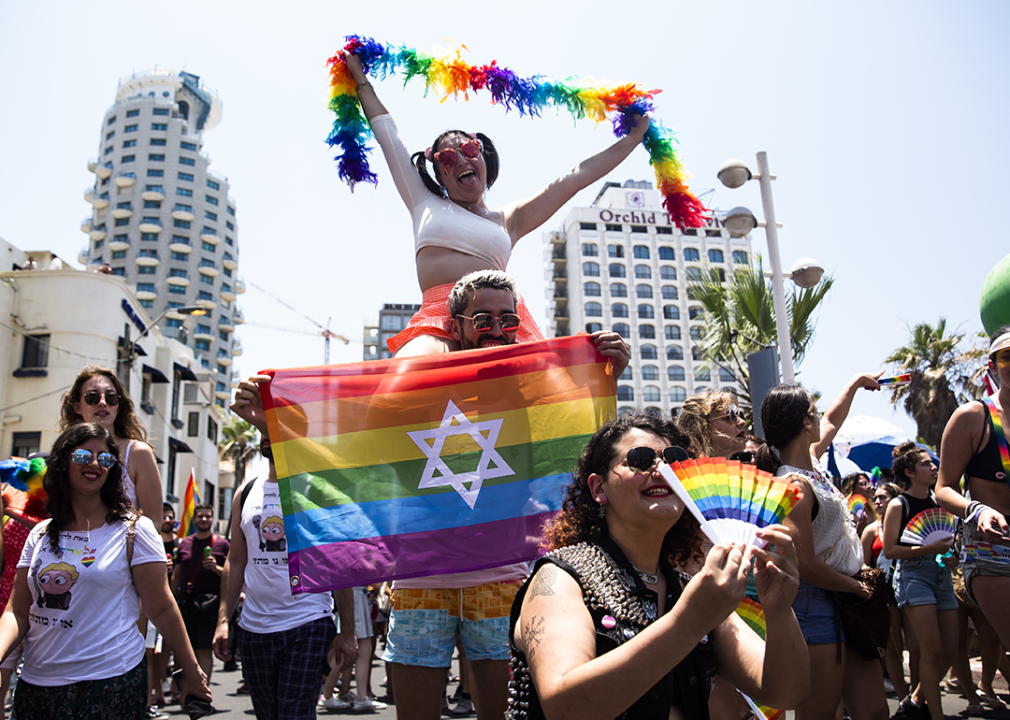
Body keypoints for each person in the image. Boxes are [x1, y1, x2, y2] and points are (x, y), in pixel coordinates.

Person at [231, 270, 630, 720]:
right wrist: (272, 425)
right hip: (421, 583)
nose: (497, 331)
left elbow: (581, 456)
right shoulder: (407, 395)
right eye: (483, 320)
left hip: (502, 579)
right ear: (454, 326)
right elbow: (347, 460)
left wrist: (606, 377)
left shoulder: (534, 391)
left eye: (508, 320)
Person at [342, 51, 652, 358]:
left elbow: (576, 177)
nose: (461, 158)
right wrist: (359, 78)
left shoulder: (510, 219)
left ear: (483, 154)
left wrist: (633, 139)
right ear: (440, 175)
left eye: (468, 148)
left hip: (501, 323)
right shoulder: (422, 202)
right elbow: (387, 133)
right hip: (438, 321)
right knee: (408, 372)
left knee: (543, 390)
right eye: (448, 158)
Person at [507, 411, 809, 719]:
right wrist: (687, 623)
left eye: (675, 460)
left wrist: (780, 613)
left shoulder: (689, 589)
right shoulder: (560, 579)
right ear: (599, 488)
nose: (662, 470)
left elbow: (785, 692)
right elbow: (565, 708)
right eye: (640, 459)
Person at [0, 423, 210, 719]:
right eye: (85, 456)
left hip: (110, 685)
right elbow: (17, 612)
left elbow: (160, 607)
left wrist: (191, 670)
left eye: (106, 459)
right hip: (37, 687)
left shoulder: (135, 530)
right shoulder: (40, 535)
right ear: (63, 461)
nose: (96, 464)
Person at [755, 375, 889, 720]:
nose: (820, 419)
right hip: (817, 605)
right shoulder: (792, 484)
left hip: (847, 600)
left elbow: (832, 419)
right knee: (819, 713)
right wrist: (856, 587)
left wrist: (856, 384)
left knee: (874, 711)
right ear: (804, 423)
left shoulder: (811, 463)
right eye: (813, 413)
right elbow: (805, 563)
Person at [212, 436, 358, 720]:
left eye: (277, 423)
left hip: (307, 622)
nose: (269, 434)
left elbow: (338, 560)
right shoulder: (245, 492)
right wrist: (223, 621)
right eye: (264, 428)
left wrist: (348, 631)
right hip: (254, 629)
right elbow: (237, 559)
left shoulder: (320, 490)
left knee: (295, 715)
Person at [935, 324, 1010, 650]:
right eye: (1007, 357)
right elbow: (943, 487)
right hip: (993, 551)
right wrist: (977, 509)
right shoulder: (973, 417)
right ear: (992, 367)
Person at [881, 443, 958, 720]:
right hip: (913, 575)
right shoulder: (898, 504)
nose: (933, 467)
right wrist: (929, 550)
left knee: (950, 651)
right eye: (926, 464)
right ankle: (935, 715)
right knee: (932, 651)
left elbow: (947, 543)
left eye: (932, 463)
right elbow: (890, 551)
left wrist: (950, 557)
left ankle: (913, 702)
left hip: (940, 574)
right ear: (910, 472)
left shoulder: (940, 502)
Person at [60, 365, 163, 526]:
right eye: (92, 397)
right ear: (77, 407)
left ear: (118, 406)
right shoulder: (65, 452)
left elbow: (154, 522)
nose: (102, 403)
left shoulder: (137, 452)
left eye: (111, 398)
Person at [172, 503, 229, 683]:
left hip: (210, 606)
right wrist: (172, 600)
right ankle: (183, 691)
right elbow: (177, 574)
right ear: (194, 519)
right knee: (183, 650)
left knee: (204, 650)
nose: (204, 519)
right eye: (200, 516)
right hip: (186, 605)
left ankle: (203, 693)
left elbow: (231, 575)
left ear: (212, 519)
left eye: (207, 516)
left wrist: (217, 568)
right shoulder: (184, 544)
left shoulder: (222, 544)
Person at [147, 504, 179, 709]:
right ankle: (154, 692)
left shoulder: (180, 543)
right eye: (163, 517)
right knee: (150, 652)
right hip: (150, 602)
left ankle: (171, 687)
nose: (167, 520)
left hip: (172, 603)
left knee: (168, 650)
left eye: (170, 517)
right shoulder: (149, 540)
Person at [676, 388, 748, 460]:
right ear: (701, 428)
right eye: (729, 417)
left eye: (739, 415)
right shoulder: (684, 470)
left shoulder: (737, 470)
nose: (742, 422)